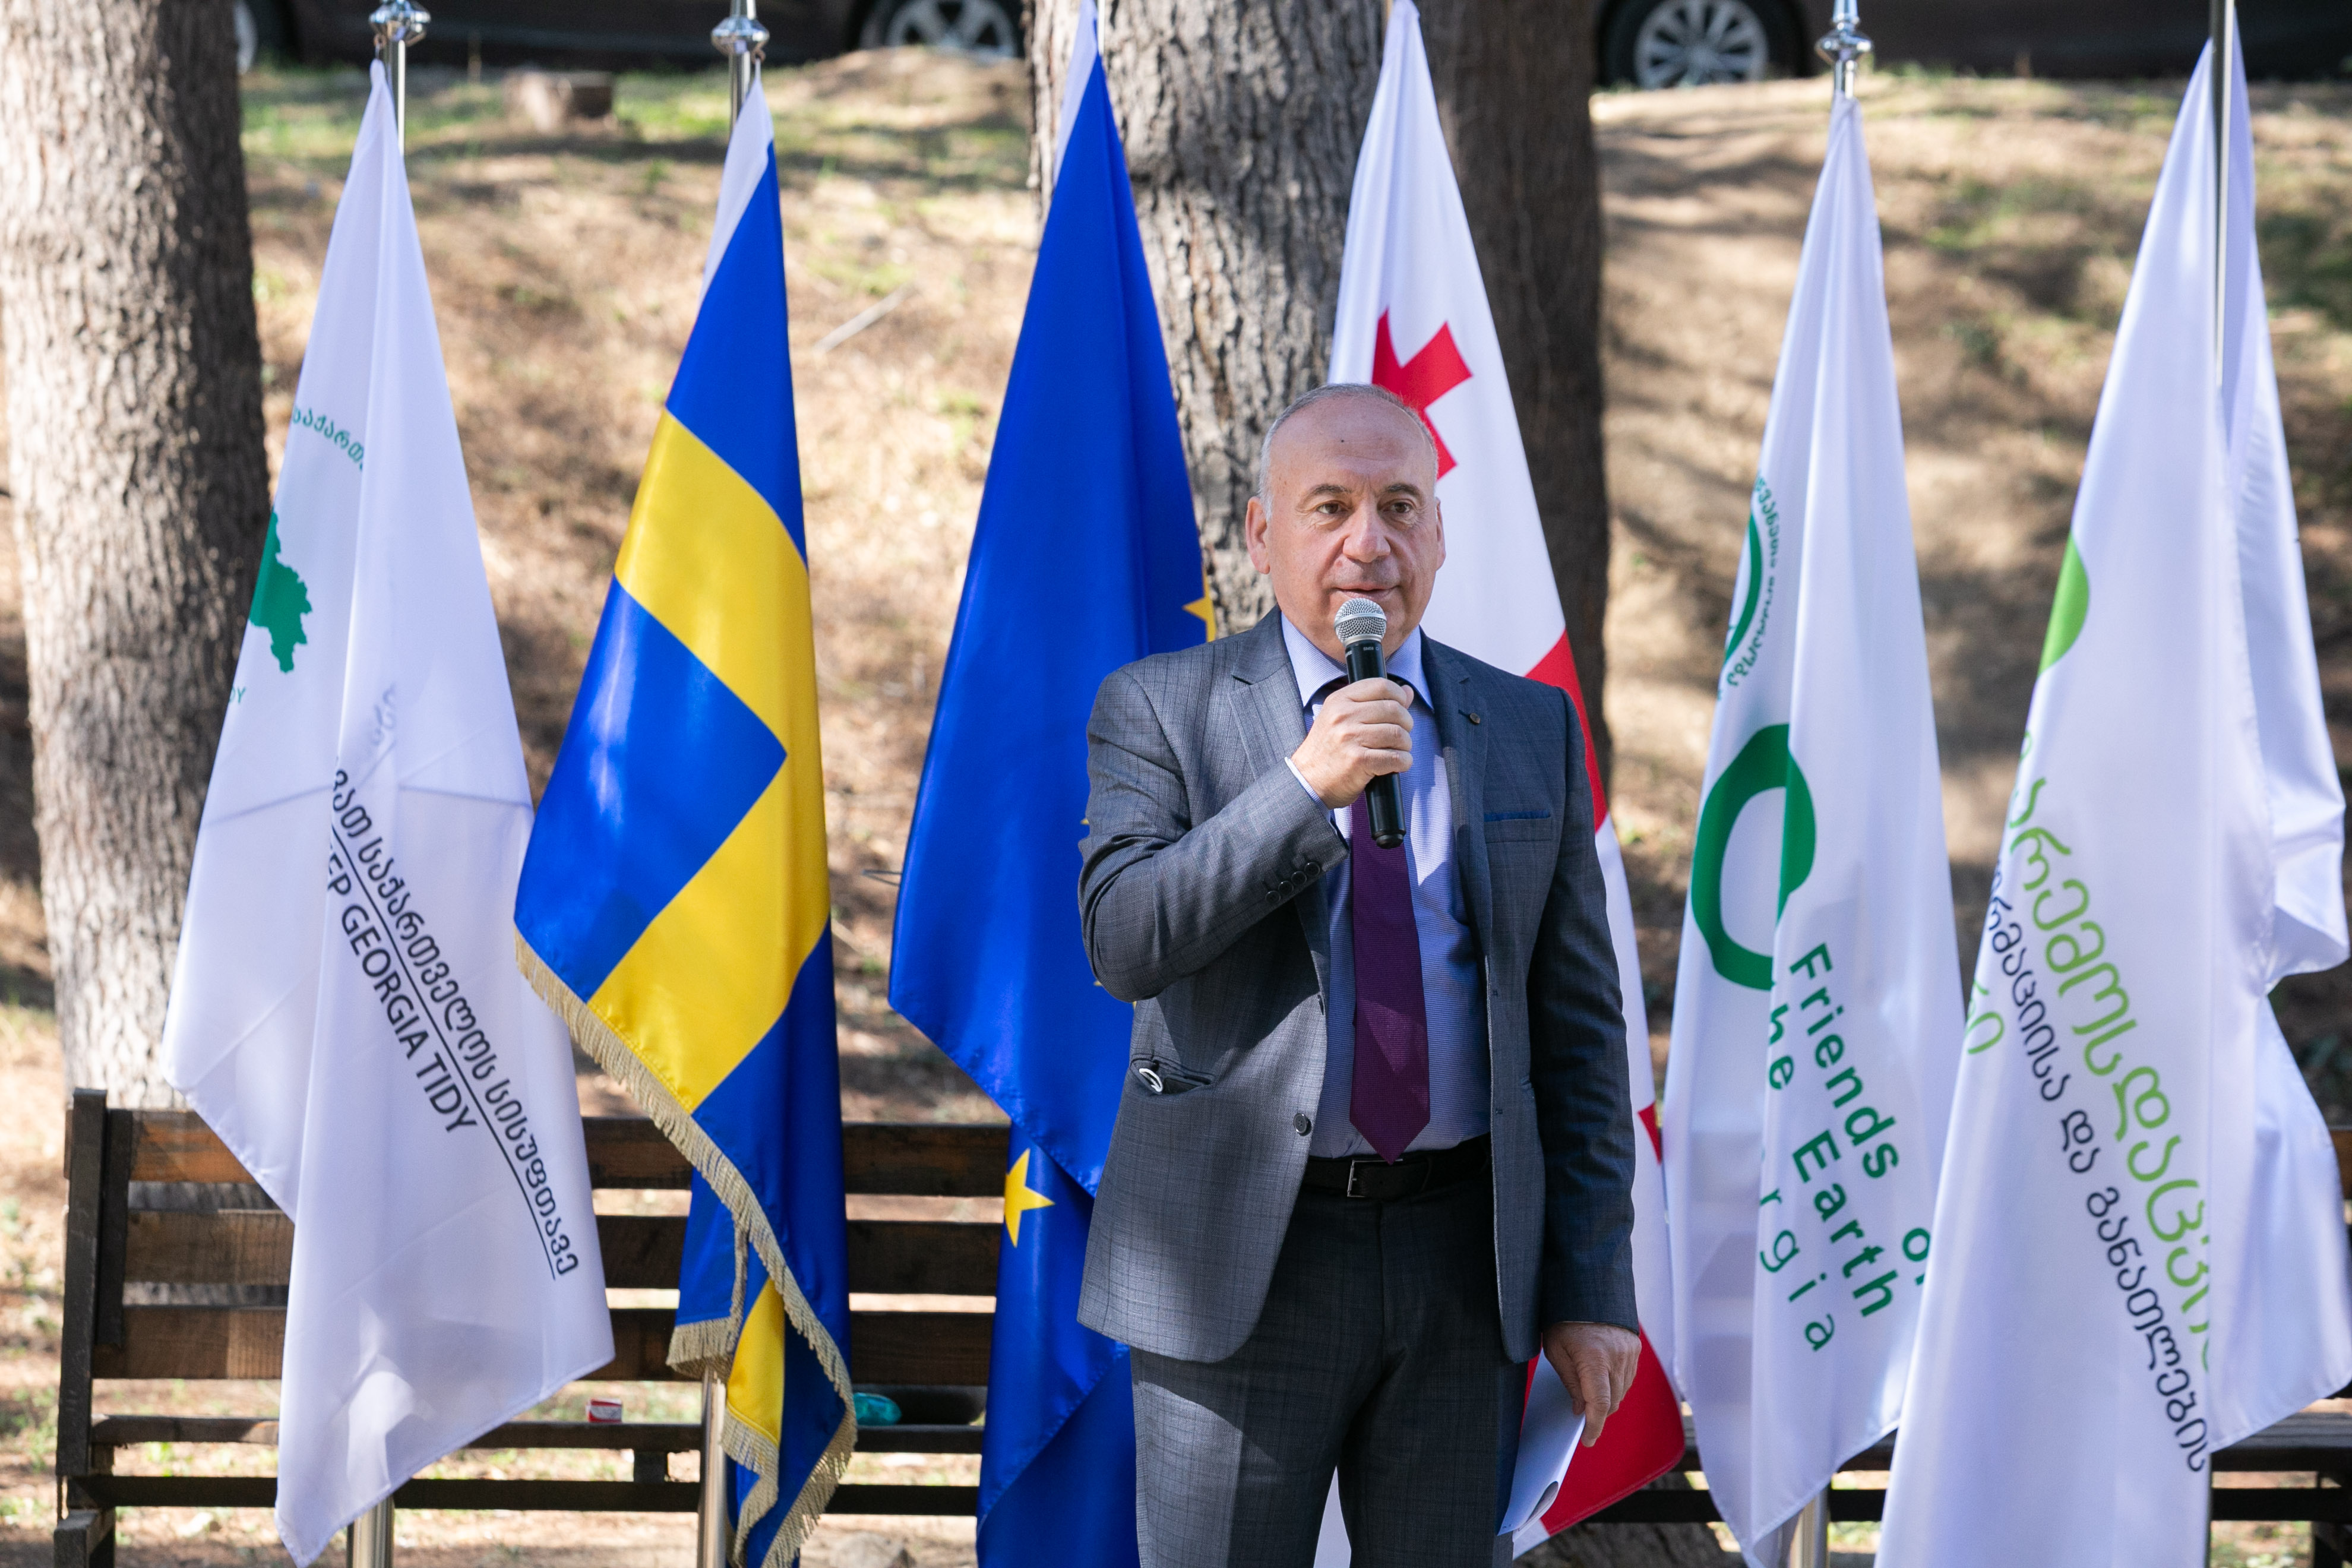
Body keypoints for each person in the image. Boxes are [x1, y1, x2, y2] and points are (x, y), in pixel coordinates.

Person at [1076, 382, 1641, 1568]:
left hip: (1463, 1266)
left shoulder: (1528, 726)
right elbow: (1125, 940)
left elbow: (1580, 1031)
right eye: (1329, 507)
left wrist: (1592, 1285)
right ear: (1261, 534)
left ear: (1440, 531)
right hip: (1242, 1262)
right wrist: (1302, 790)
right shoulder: (1161, 709)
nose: (1368, 543)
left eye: (1400, 506)